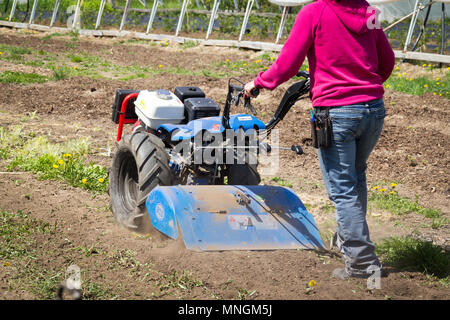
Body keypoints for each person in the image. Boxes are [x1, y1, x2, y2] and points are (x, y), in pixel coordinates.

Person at [244, 0, 395, 279]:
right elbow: (387, 61)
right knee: (355, 176)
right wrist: (365, 86)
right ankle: (347, 240)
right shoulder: (369, 12)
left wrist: (259, 82)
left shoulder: (314, 12)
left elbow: (288, 64)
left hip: (338, 113)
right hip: (372, 110)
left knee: (343, 189)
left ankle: (361, 263)